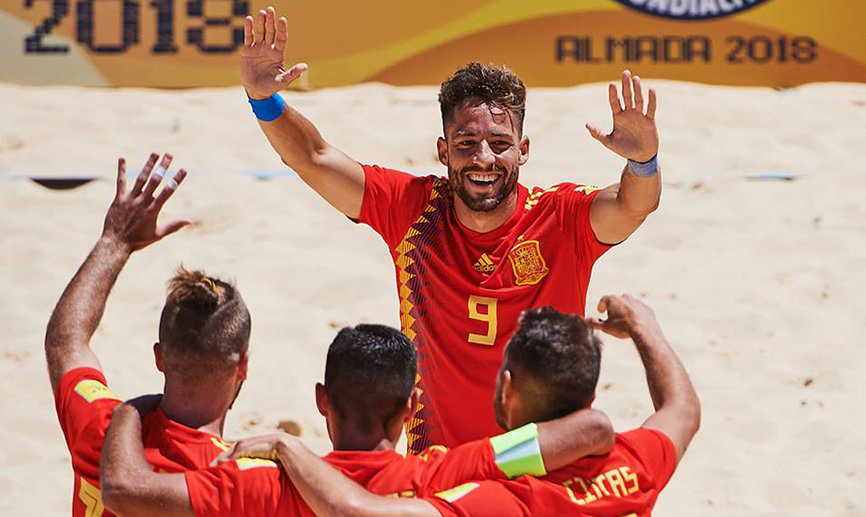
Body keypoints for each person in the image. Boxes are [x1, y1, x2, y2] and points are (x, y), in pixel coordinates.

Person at [241, 6, 663, 452]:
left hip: (544, 467)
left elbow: (635, 204)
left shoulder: (561, 217)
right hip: (440, 472)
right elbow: (314, 157)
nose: (483, 158)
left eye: (500, 145)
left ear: (523, 150)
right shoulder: (412, 210)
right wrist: (263, 99)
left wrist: (643, 161)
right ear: (444, 151)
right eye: (466, 143)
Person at [211, 295, 700, 517]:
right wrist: (644, 326)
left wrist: (285, 447)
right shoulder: (636, 465)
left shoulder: (502, 497)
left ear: (507, 388)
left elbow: (355, 511)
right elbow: (683, 409)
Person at [99, 324, 615, 517]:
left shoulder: (260, 485)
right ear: (412, 408)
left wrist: (130, 409)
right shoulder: (448, 475)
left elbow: (123, 490)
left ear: (322, 400)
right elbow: (592, 431)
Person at [45, 153, 253, 516]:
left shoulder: (100, 425)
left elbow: (66, 340)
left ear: (159, 355)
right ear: (243, 367)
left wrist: (115, 242)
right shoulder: (240, 484)